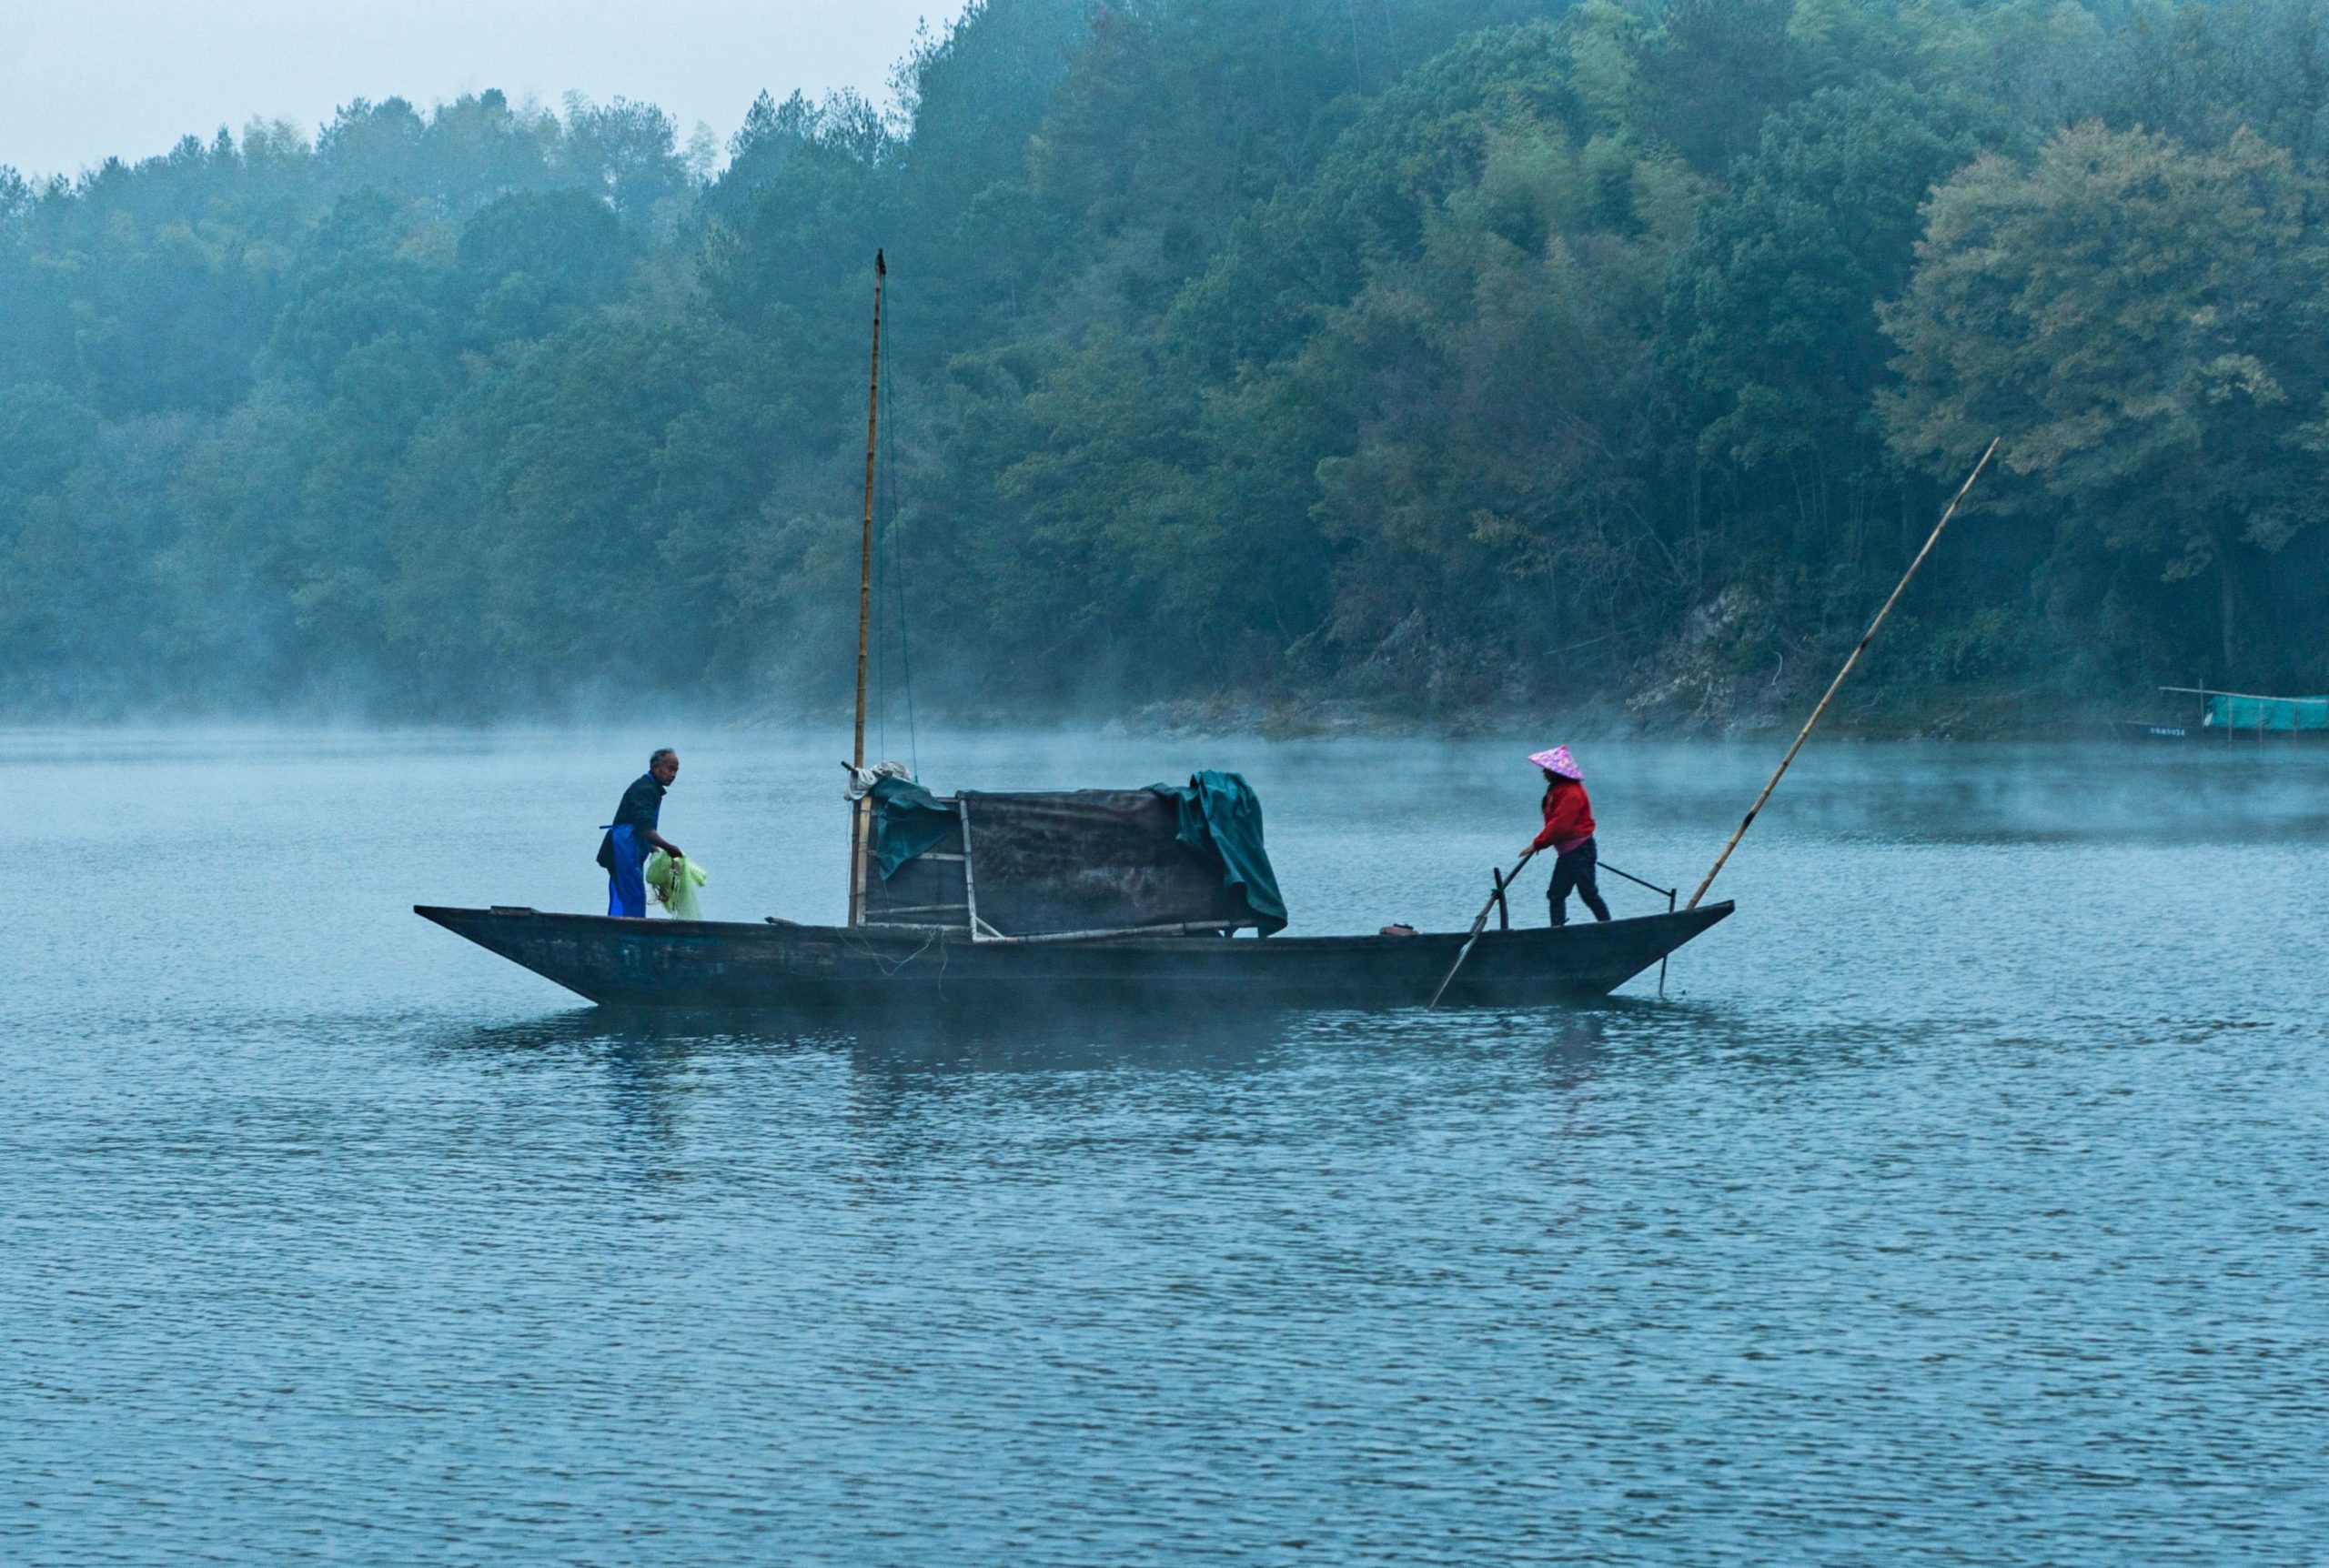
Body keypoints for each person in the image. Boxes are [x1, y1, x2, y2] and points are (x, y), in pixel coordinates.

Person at [1521, 746, 1609, 928]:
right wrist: (1541, 842)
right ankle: (1557, 930)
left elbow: (1561, 825)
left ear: (1556, 772)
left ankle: (1608, 927)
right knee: (1556, 893)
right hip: (1568, 853)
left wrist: (1538, 844)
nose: (1543, 773)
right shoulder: (1558, 789)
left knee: (1588, 893)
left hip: (1580, 851)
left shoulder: (1572, 793)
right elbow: (1554, 823)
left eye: (1547, 770)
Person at [598, 749, 685, 918]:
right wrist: (669, 848)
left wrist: (655, 849)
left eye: (676, 770)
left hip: (629, 850)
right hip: (622, 848)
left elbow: (640, 823)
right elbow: (644, 829)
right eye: (670, 769)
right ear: (655, 766)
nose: (673, 774)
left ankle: (623, 930)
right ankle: (632, 933)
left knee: (630, 894)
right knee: (633, 895)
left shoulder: (651, 787)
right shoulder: (645, 789)